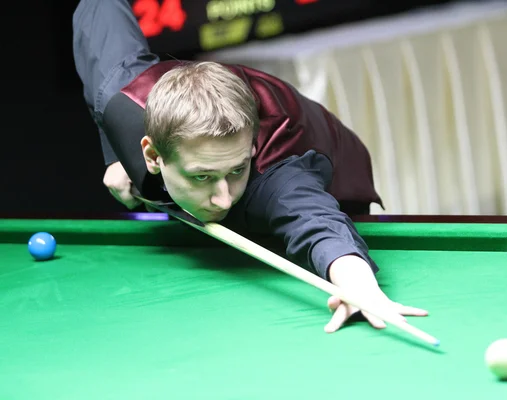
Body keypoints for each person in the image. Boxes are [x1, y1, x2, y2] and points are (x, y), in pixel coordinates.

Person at [72, 0, 429, 333]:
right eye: (202, 177)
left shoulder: (278, 176)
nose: (224, 199)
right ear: (152, 155)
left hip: (335, 168)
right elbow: (97, 10)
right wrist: (117, 155)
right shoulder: (123, 102)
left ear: (252, 144)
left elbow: (317, 222)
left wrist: (358, 287)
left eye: (235, 171)